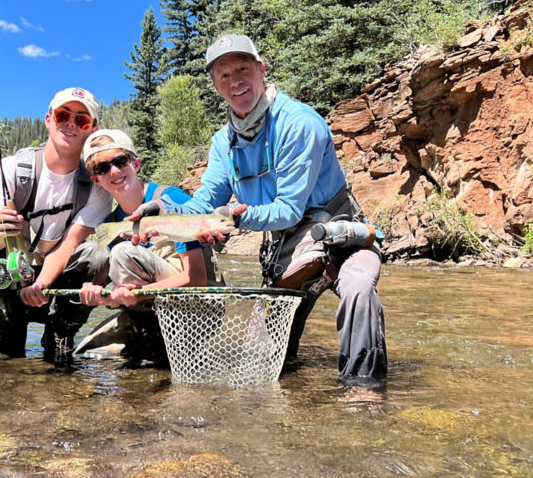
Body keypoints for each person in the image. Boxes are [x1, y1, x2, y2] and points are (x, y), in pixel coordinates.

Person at [130, 34, 387, 383]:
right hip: (285, 251)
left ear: (261, 70)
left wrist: (234, 218)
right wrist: (162, 212)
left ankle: (364, 389)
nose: (235, 81)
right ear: (216, 86)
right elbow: (205, 199)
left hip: (342, 235)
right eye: (223, 74)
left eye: (243, 68)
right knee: (262, 366)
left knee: (358, 286)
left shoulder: (299, 123)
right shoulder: (224, 142)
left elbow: (290, 210)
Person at [0, 87, 112, 361]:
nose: (71, 124)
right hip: (13, 276)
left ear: (92, 129)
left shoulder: (96, 184)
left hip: (56, 279)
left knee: (100, 256)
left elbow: (69, 245)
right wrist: (0, 233)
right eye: (63, 115)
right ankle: (7, 341)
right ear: (49, 119)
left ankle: (60, 333)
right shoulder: (11, 169)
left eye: (81, 120)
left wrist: (40, 286)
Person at [77, 129, 223, 362]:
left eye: (120, 161)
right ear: (96, 180)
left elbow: (196, 278)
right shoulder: (112, 225)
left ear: (136, 163)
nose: (114, 171)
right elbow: (121, 295)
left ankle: (164, 349)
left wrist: (137, 294)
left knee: (123, 253)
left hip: (198, 309)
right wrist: (103, 297)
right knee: (87, 354)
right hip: (147, 310)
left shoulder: (173, 200)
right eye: (102, 168)